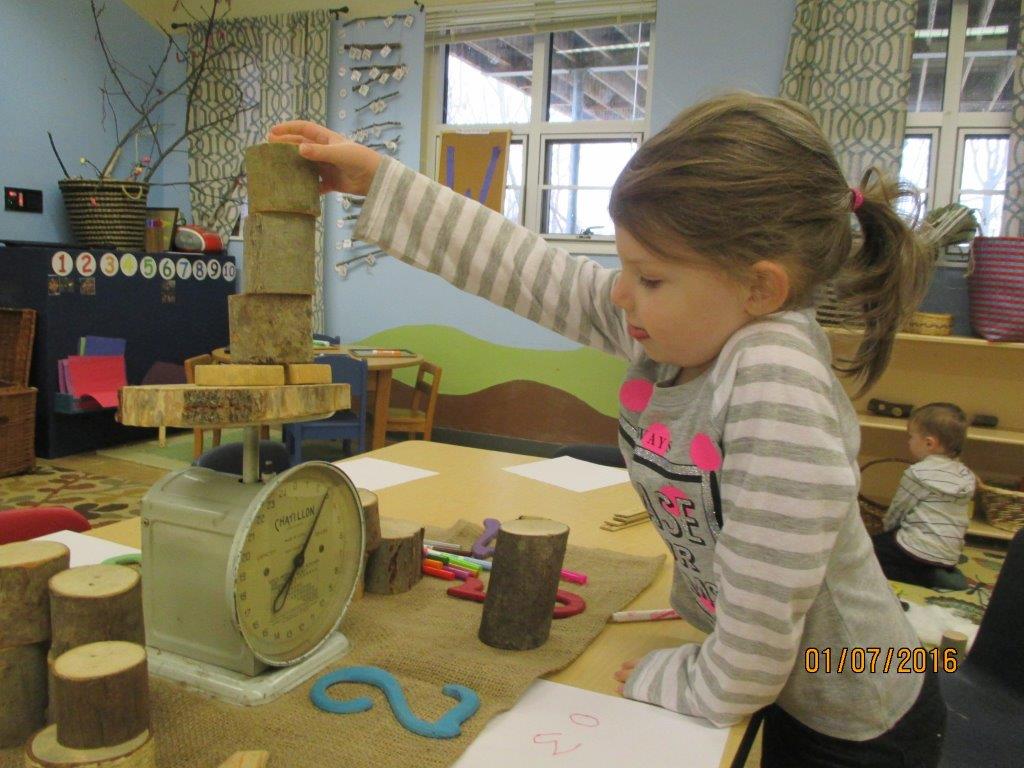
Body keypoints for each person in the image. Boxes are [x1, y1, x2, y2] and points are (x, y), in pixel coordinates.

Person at [270, 92, 946, 767]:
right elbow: (530, 272)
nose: (620, 294)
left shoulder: (777, 379)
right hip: (778, 675)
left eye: (649, 277)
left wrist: (698, 682)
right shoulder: (692, 325)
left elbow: (764, 621)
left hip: (853, 704)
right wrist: (380, 182)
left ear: (761, 289)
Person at [872, 403, 976, 588]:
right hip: (950, 553)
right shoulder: (966, 475)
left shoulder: (917, 474)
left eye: (911, 437)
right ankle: (940, 572)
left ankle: (930, 578)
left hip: (915, 548)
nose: (908, 442)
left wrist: (886, 531)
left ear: (929, 443)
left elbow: (899, 509)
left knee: (868, 553)